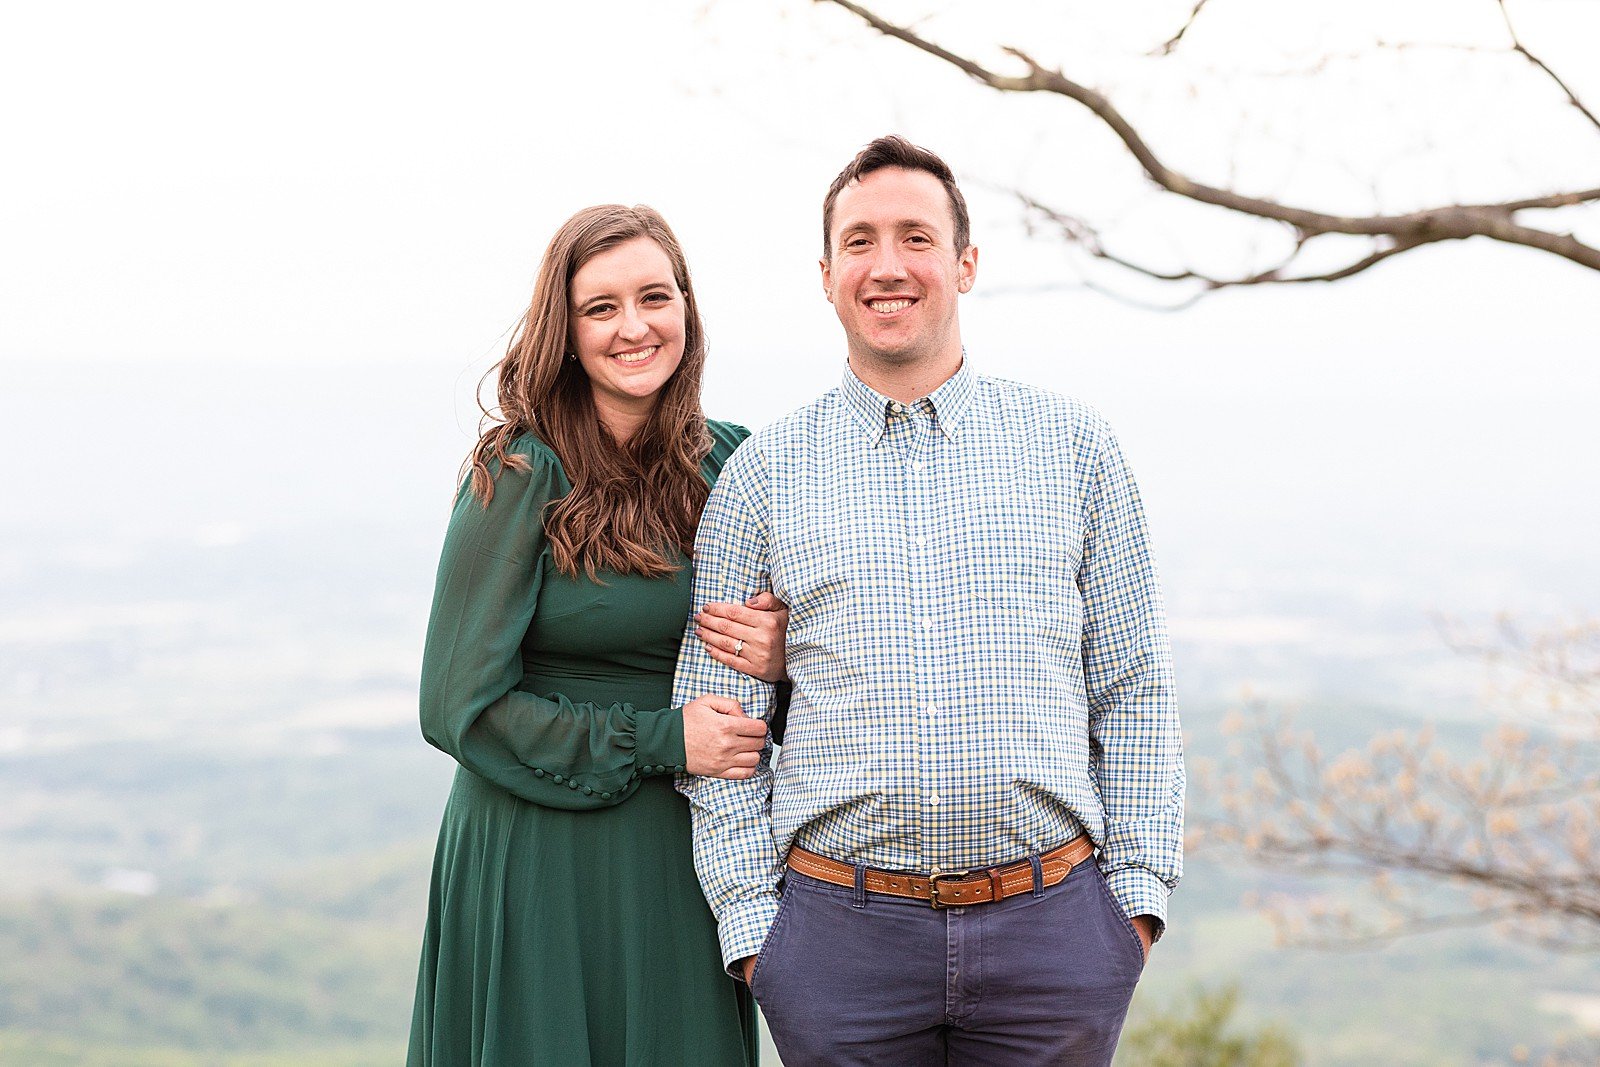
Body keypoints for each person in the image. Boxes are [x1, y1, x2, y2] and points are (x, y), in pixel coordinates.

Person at [675, 135, 1184, 1065]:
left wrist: (1133, 908)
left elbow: (1136, 687)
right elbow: (717, 730)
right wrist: (760, 937)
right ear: (827, 274)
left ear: (965, 263)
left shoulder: (1074, 448)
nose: (888, 265)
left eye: (916, 236)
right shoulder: (762, 477)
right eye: (860, 241)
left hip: (1054, 938)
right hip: (837, 946)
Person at [408, 203, 788, 1067]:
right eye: (601, 307)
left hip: (689, 857)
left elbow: (829, 654)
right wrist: (663, 737)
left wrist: (783, 655)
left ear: (686, 309)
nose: (633, 327)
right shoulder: (517, 474)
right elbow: (457, 706)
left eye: (654, 296)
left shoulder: (737, 464)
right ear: (565, 331)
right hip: (540, 853)